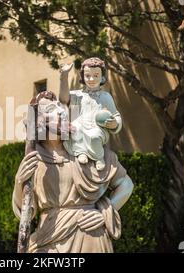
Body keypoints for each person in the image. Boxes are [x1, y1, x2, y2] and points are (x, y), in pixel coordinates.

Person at [13, 91, 133, 253]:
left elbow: (126, 184)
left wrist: (105, 212)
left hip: (91, 239)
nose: (61, 111)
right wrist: (19, 182)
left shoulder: (89, 150)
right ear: (39, 122)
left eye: (59, 107)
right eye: (51, 110)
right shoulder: (35, 160)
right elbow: (26, 214)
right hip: (49, 240)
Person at [59, 57, 122, 171]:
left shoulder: (105, 97)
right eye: (88, 76)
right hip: (80, 126)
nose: (91, 79)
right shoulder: (77, 95)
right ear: (83, 77)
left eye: (96, 75)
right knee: (74, 129)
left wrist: (115, 124)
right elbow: (63, 99)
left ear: (102, 77)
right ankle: (80, 151)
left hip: (97, 128)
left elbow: (115, 115)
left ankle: (99, 157)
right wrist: (64, 76)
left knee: (94, 136)